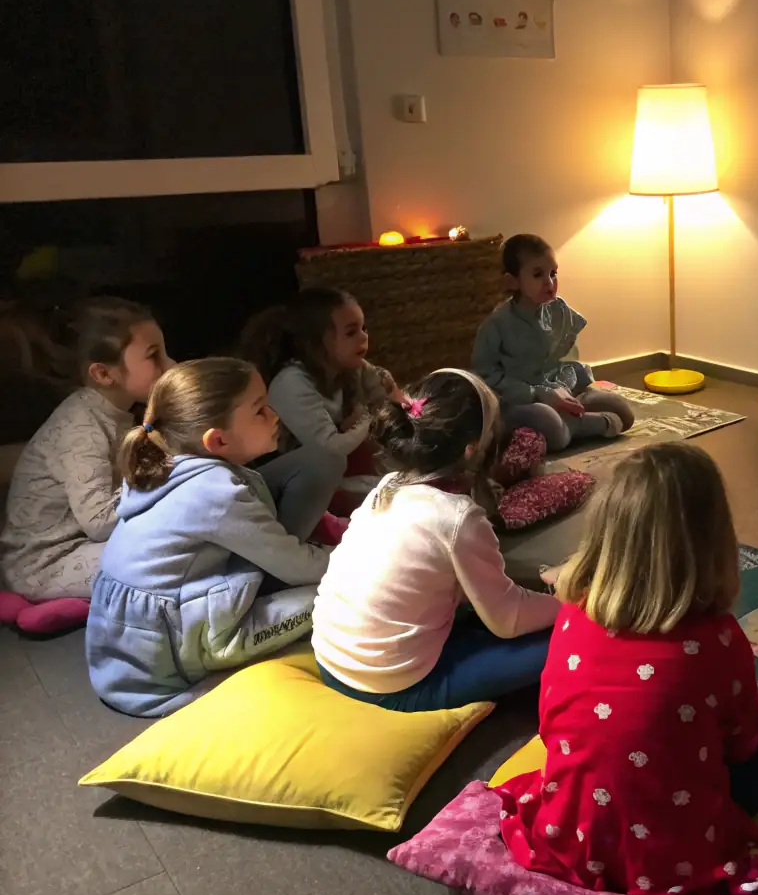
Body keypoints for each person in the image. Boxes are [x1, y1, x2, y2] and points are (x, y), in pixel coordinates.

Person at [496, 444, 758, 895]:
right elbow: (745, 744)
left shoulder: (570, 614)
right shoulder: (718, 639)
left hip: (572, 834)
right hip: (672, 849)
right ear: (713, 541)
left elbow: (549, 728)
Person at [86, 358, 327, 717]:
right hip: (170, 650)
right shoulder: (215, 492)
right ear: (218, 439)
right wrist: (357, 557)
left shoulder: (162, 467)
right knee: (331, 594)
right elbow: (295, 563)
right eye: (260, 410)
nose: (275, 415)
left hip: (125, 649)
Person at [312, 368, 561, 711]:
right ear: (473, 450)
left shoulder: (390, 484)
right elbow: (509, 618)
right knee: (567, 636)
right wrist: (570, 603)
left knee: (478, 611)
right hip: (390, 685)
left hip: (330, 656)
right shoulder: (458, 517)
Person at [1, 298, 173, 602]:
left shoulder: (119, 415)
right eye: (154, 356)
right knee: (165, 553)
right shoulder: (83, 426)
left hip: (84, 546)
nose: (170, 366)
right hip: (45, 564)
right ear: (104, 374)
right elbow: (99, 521)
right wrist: (162, 476)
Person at [240, 287, 401, 535]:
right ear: (316, 342)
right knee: (389, 501)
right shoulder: (292, 382)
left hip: (338, 469)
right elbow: (329, 450)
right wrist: (368, 416)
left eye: (363, 328)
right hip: (299, 484)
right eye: (351, 332)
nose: (363, 338)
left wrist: (387, 391)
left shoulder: (354, 369)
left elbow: (389, 406)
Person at [472, 233, 634, 452]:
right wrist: (539, 394)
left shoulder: (559, 311)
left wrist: (565, 391)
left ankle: (573, 421)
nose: (550, 283)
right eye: (538, 275)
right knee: (549, 423)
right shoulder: (497, 324)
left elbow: (567, 357)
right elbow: (486, 377)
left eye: (553, 273)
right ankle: (588, 424)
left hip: (560, 389)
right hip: (520, 401)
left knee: (624, 412)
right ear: (513, 281)